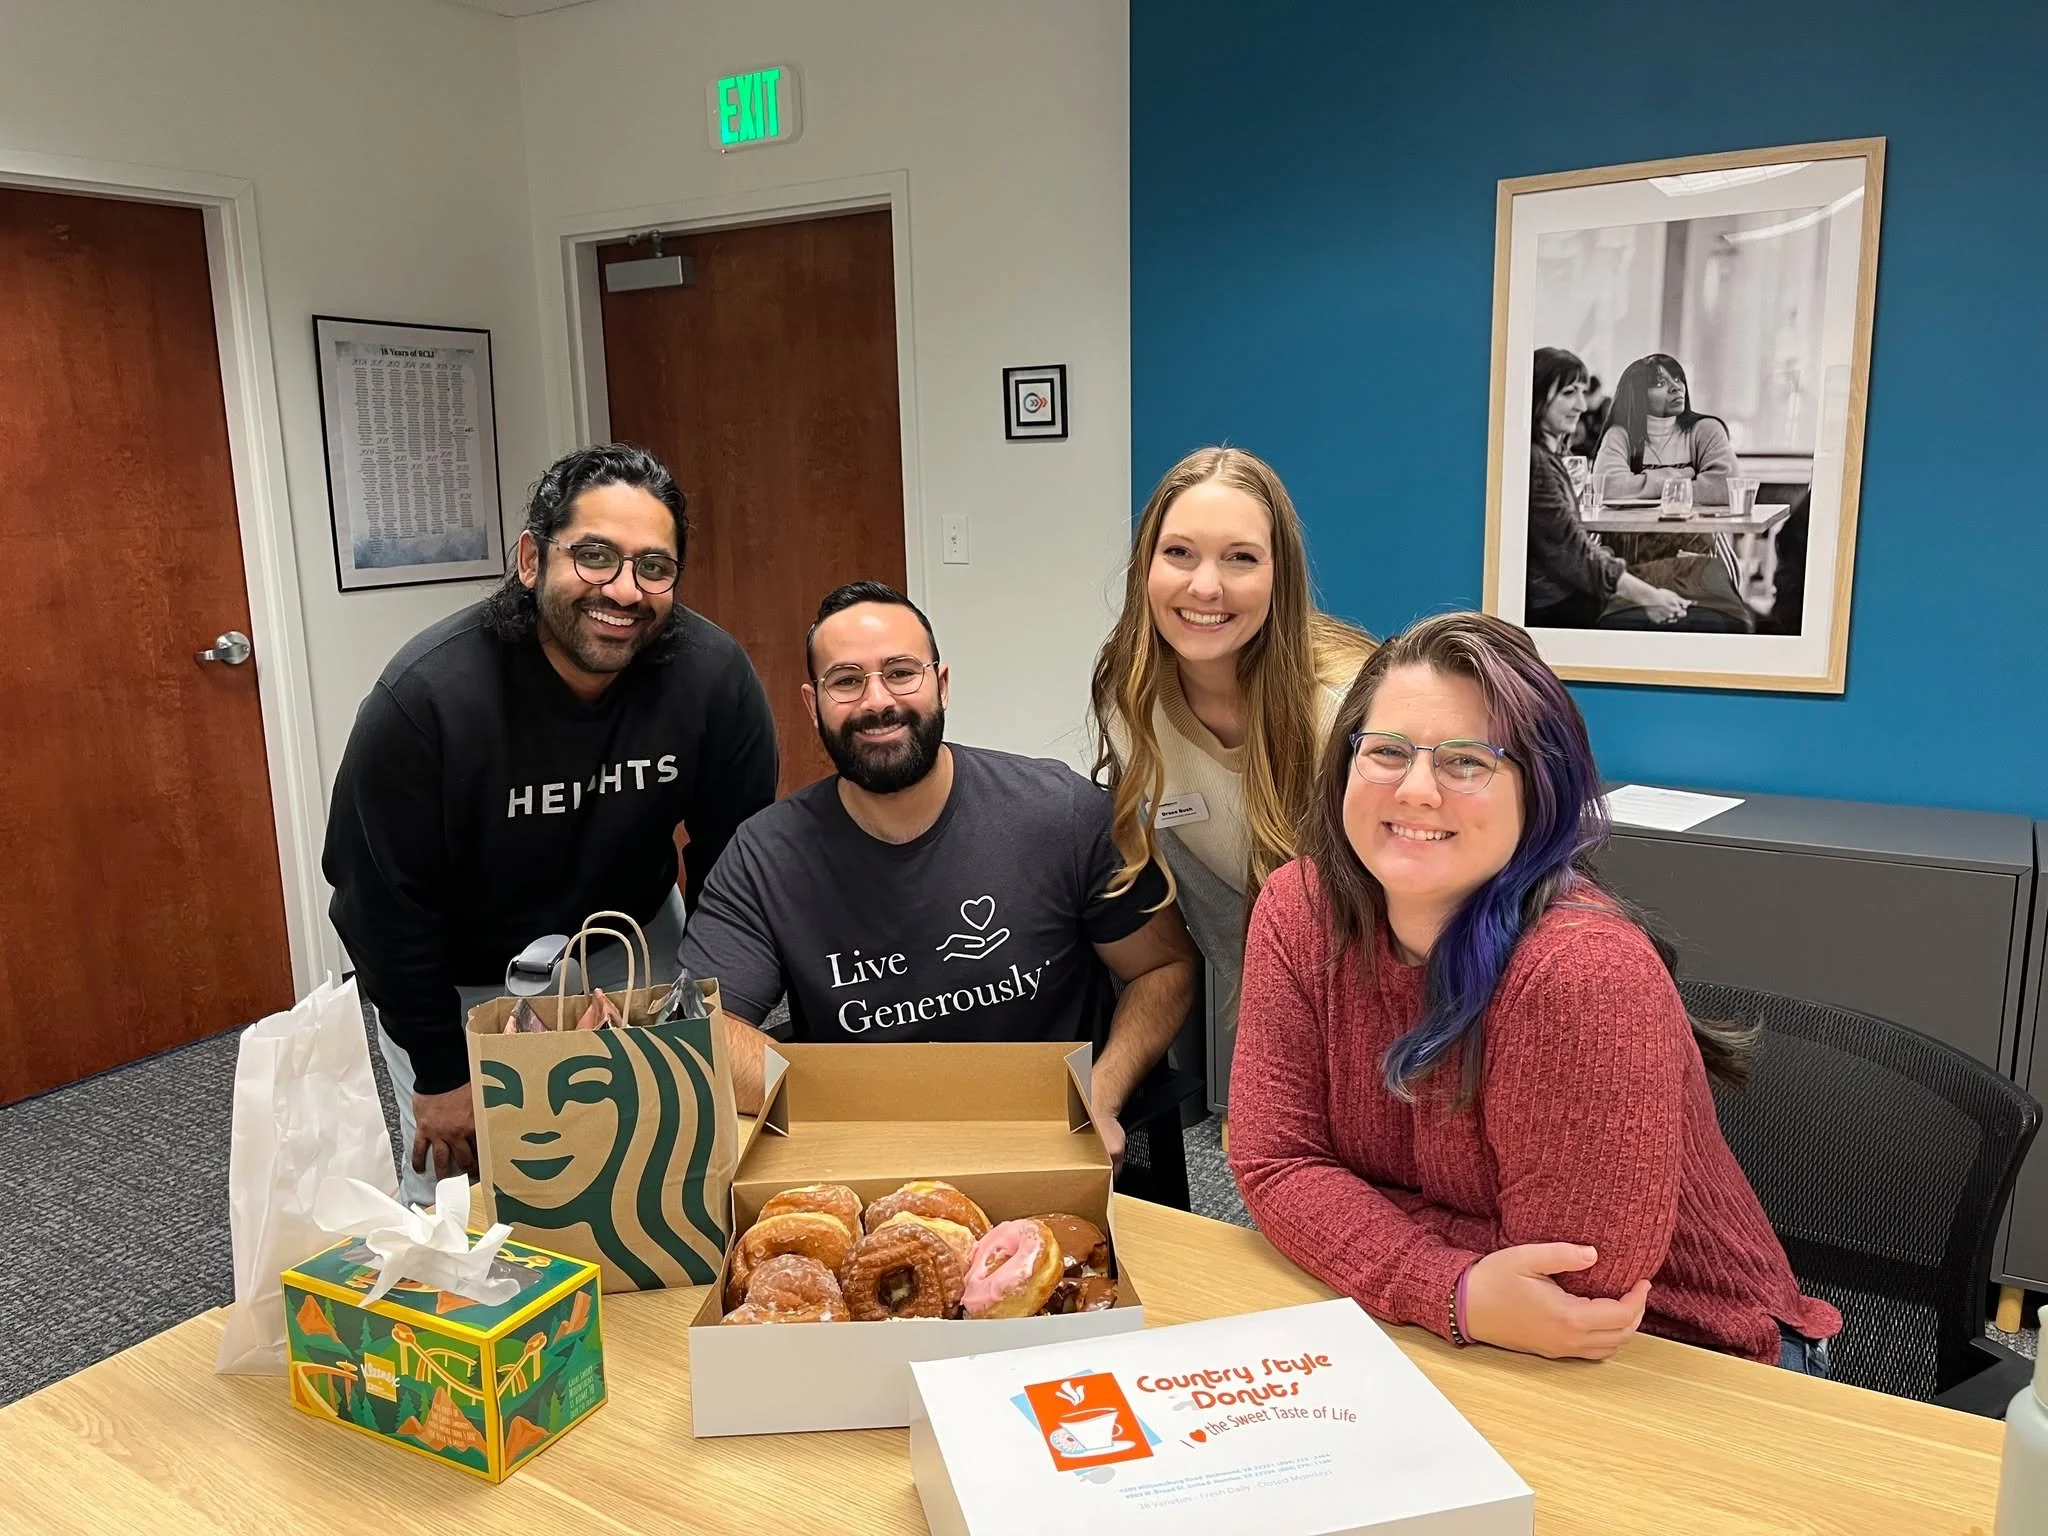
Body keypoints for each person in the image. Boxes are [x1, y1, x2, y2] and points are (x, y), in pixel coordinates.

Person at [1228, 611, 1840, 1370]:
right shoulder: (1299, 909)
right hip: (1463, 1326)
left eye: (1466, 762)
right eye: (1387, 752)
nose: (1416, 789)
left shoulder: (1580, 974)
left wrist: (1339, 1208)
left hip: (1682, 1351)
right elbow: (1272, 1164)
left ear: (1538, 791)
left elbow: (1578, 1283)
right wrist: (1449, 1285)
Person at [325, 443, 778, 1205]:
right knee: (468, 1191)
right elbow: (382, 906)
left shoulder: (712, 677)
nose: (624, 590)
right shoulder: (428, 699)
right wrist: (440, 1075)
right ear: (533, 559)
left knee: (656, 1155)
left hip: (632, 935)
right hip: (462, 972)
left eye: (654, 567)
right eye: (595, 556)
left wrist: (707, 1008)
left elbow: (734, 863)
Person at [679, 581, 1199, 1166]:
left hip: (1047, 1138)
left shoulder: (1060, 812)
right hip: (871, 1153)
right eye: (846, 681)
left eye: (901, 672)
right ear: (812, 705)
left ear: (941, 685)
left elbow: (1164, 966)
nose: (877, 701)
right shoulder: (765, 855)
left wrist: (1100, 1098)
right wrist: (833, 1107)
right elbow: (704, 1027)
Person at [1089, 446, 1373, 1084]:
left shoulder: (1345, 714)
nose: (1205, 586)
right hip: (1270, 1007)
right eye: (1179, 552)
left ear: (1281, 576)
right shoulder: (1130, 696)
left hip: (1391, 1015)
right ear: (1146, 567)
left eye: (1240, 557)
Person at [1523, 347, 1691, 629]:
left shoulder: (1545, 457)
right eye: (1568, 393)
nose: (1582, 405)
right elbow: (1575, 554)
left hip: (1574, 592)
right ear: (1538, 396)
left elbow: (1578, 548)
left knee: (1704, 575)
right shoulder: (1537, 463)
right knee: (1711, 610)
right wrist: (1649, 597)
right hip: (1563, 606)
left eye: (1582, 392)